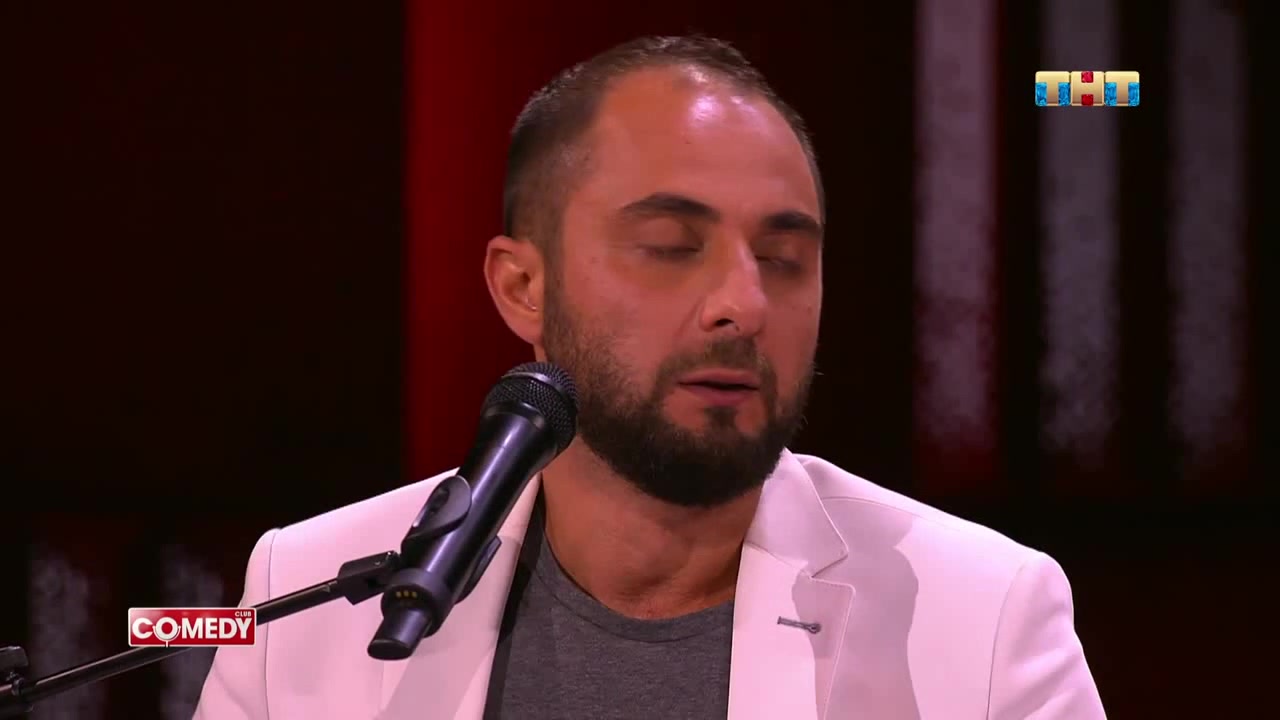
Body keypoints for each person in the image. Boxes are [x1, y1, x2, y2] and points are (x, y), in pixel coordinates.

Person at [194, 35, 1106, 720]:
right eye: (671, 246)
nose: (743, 304)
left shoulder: (985, 616)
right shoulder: (301, 596)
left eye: (784, 258)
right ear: (522, 287)